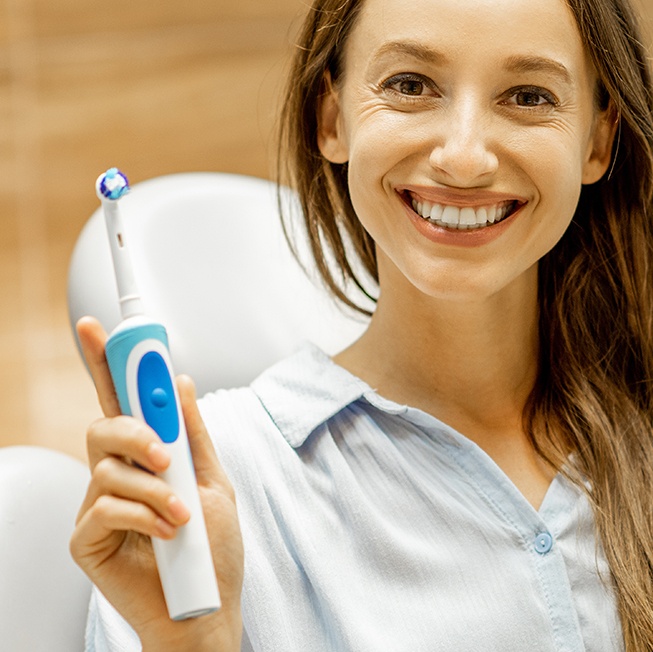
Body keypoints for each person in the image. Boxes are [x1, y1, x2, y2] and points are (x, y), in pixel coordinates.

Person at [70, 0, 653, 649]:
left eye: (527, 95)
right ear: (331, 117)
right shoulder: (211, 496)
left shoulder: (638, 433)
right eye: (409, 85)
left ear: (598, 141)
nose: (463, 158)